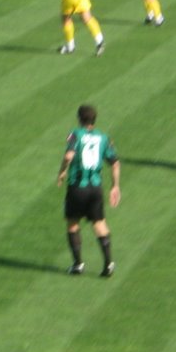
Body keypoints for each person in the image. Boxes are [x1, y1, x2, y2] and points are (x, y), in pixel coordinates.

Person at [56, 104, 120, 277]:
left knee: (72, 223)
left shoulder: (75, 134)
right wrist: (115, 186)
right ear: (94, 119)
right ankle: (108, 264)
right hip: (96, 188)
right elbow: (114, 162)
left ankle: (78, 264)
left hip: (77, 187)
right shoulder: (104, 137)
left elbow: (69, 156)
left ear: (79, 118)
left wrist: (62, 171)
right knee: (99, 223)